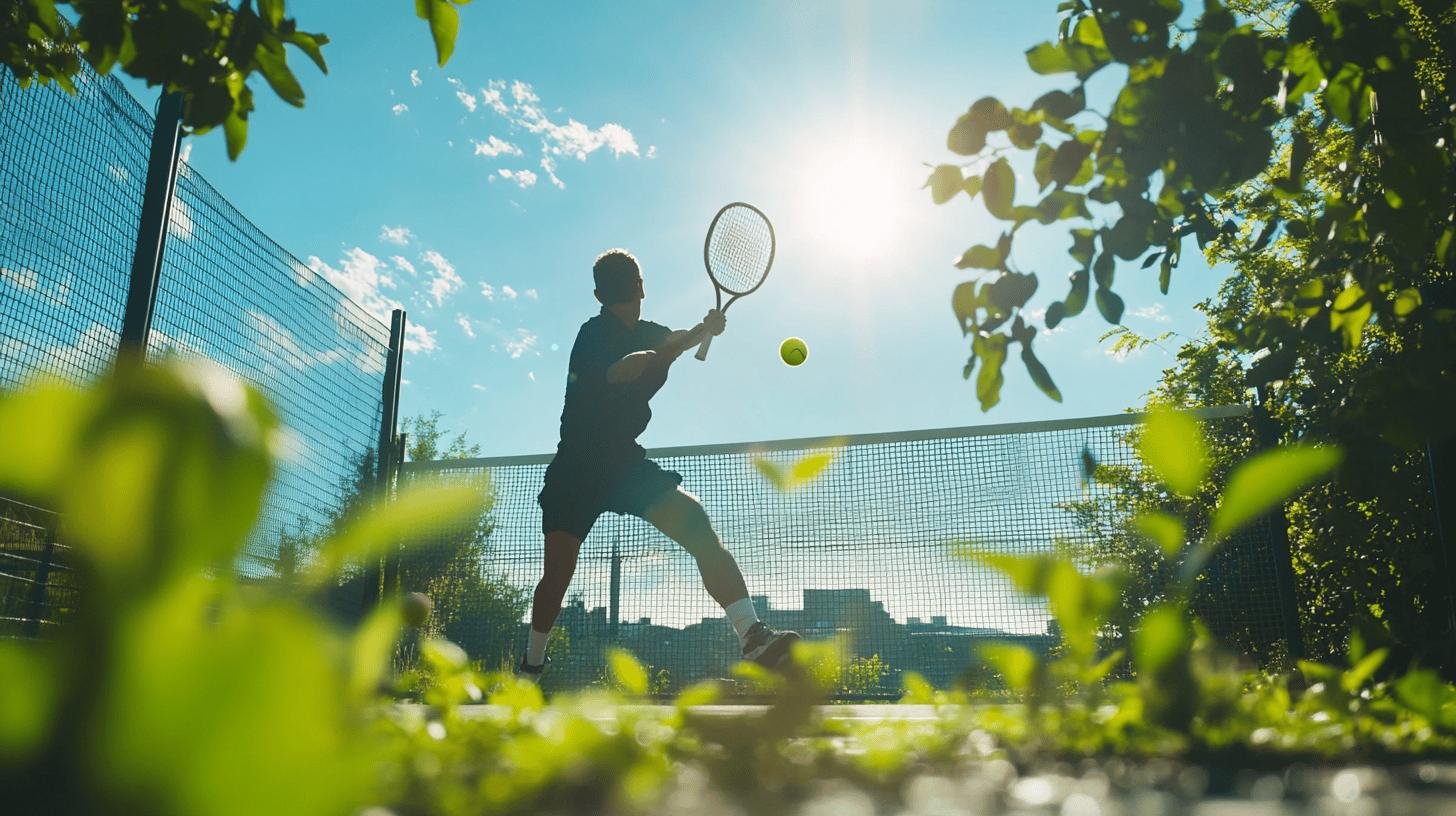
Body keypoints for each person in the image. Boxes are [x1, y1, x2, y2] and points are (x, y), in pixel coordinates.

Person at [518, 248, 798, 680]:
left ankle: (752, 636)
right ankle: (532, 664)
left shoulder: (650, 331)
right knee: (557, 575)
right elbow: (614, 373)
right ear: (640, 286)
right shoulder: (593, 335)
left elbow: (677, 340)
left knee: (695, 523)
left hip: (621, 463)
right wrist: (642, 361)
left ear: (600, 291)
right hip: (577, 466)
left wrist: (706, 328)